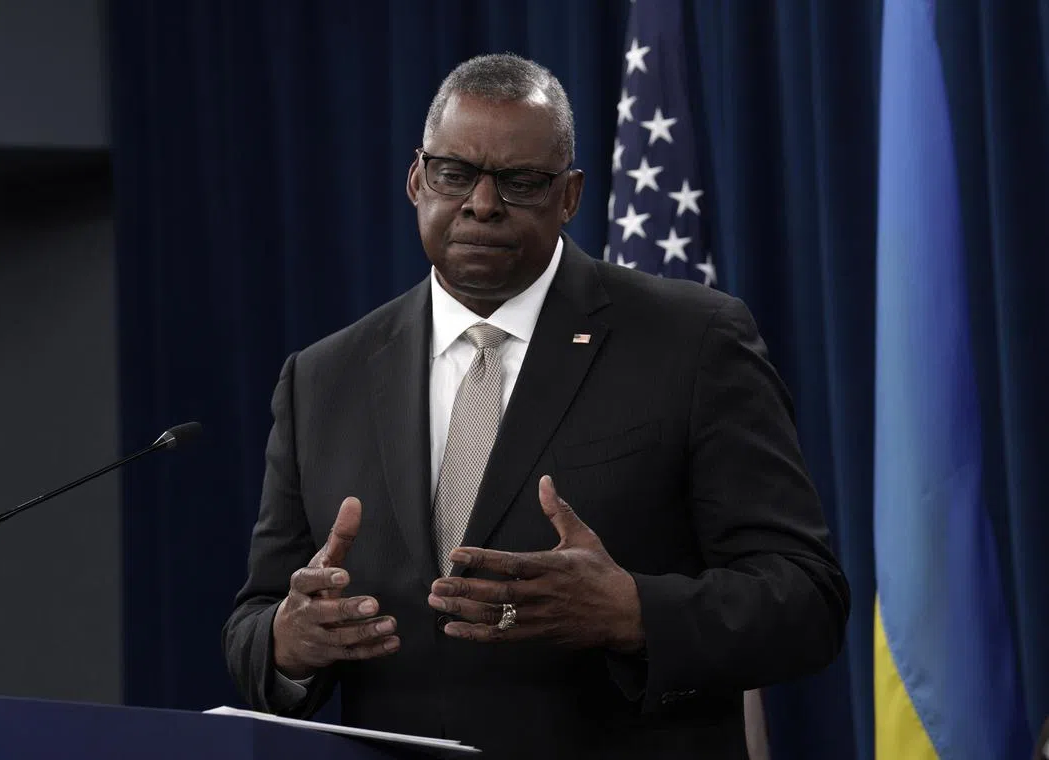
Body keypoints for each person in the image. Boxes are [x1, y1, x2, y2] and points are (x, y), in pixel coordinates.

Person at [223, 53, 850, 759]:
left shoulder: (693, 342)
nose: (481, 204)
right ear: (416, 178)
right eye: (454, 173)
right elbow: (256, 619)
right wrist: (288, 642)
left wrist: (634, 613)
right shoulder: (322, 376)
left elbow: (806, 600)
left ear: (570, 195)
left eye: (520, 182)